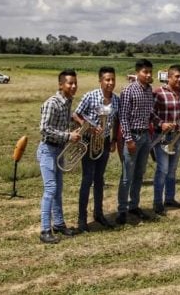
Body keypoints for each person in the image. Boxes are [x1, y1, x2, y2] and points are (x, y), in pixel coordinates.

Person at [73, 66, 120, 232]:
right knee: (87, 179)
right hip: (89, 140)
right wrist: (89, 127)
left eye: (113, 79)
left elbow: (115, 120)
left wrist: (114, 139)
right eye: (107, 79)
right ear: (100, 81)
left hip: (105, 142)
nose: (110, 83)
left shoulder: (116, 99)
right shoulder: (90, 96)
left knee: (100, 179)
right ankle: (81, 219)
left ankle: (99, 213)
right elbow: (76, 115)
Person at [37, 69, 80, 244]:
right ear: (61, 85)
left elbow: (61, 123)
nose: (74, 86)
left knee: (58, 189)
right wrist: (68, 136)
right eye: (70, 83)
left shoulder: (67, 102)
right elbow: (44, 128)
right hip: (48, 150)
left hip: (59, 150)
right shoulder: (52, 103)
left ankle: (59, 224)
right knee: (50, 189)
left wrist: (74, 126)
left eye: (75, 83)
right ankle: (45, 229)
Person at [116, 59, 161, 224]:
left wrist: (160, 123)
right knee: (127, 176)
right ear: (137, 72)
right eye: (145, 72)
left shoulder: (149, 90)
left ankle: (134, 206)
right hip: (133, 137)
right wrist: (128, 139)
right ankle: (122, 210)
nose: (148, 75)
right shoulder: (128, 90)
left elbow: (150, 114)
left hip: (145, 137)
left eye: (150, 72)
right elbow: (123, 117)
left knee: (139, 174)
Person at [152, 64, 180, 215]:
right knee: (162, 169)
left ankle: (170, 198)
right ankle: (157, 202)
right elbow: (151, 113)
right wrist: (161, 123)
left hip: (177, 137)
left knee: (172, 170)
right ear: (169, 77)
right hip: (162, 136)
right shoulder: (158, 92)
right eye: (176, 76)